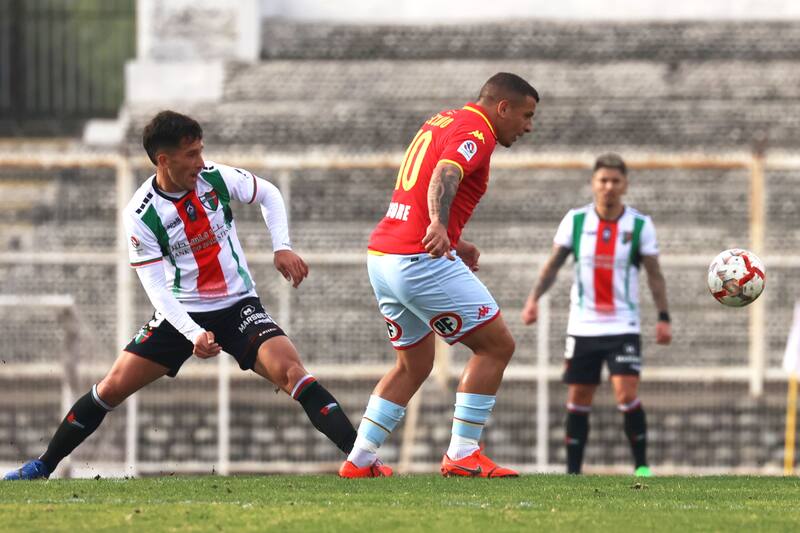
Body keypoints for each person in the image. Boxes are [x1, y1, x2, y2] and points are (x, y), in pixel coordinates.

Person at [4, 110, 357, 480]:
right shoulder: (141, 214)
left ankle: (359, 460)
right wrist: (192, 334)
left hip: (238, 305)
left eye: (201, 151)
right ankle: (42, 466)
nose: (200, 162)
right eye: (191, 155)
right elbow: (157, 289)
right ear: (163, 160)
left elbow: (268, 193)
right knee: (111, 387)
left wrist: (281, 246)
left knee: (292, 372)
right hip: (181, 313)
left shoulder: (213, 177)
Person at [339, 73, 539, 478]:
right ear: (503, 107)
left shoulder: (444, 119)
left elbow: (427, 177)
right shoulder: (478, 132)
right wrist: (437, 224)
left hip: (383, 256)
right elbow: (445, 174)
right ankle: (463, 453)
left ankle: (359, 461)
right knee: (496, 346)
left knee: (412, 366)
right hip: (417, 259)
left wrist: (452, 236)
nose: (528, 126)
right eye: (526, 115)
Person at [521, 153, 671, 476]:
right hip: (583, 326)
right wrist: (533, 298)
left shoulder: (640, 225)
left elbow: (654, 274)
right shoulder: (575, 221)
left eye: (615, 181)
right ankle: (573, 472)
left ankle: (642, 467)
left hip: (623, 325)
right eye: (603, 180)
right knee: (578, 396)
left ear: (625, 184)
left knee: (626, 393)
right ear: (593, 184)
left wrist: (663, 316)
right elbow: (553, 266)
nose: (609, 187)